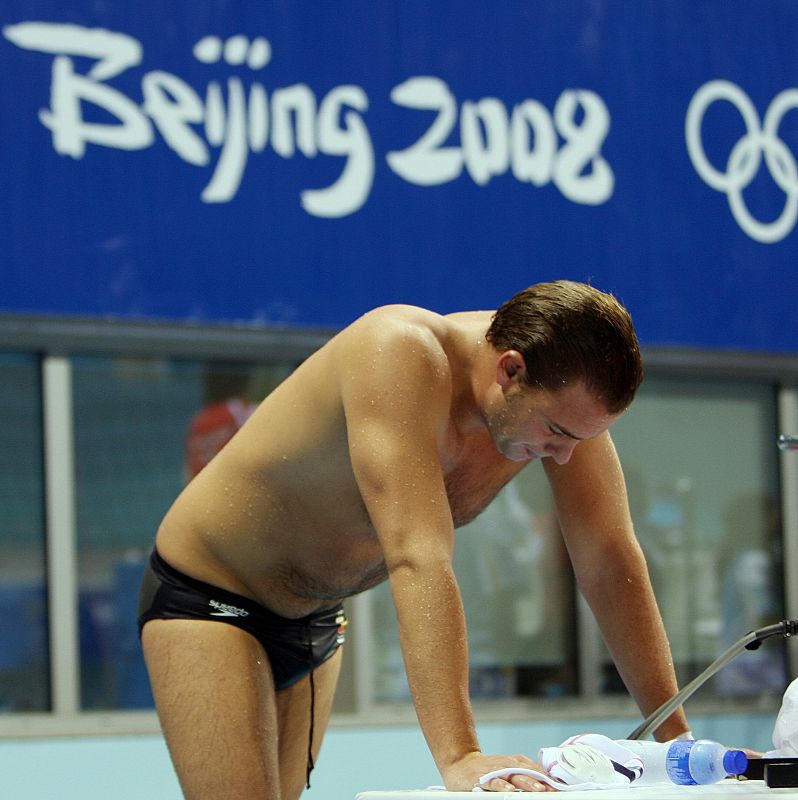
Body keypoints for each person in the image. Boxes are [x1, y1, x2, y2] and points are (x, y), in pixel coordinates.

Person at [138, 280, 690, 798]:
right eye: (557, 433)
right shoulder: (397, 350)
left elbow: (609, 560)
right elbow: (418, 558)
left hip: (316, 614)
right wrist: (461, 755)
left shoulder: (563, 407)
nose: (566, 456)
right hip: (212, 595)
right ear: (511, 369)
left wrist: (678, 743)